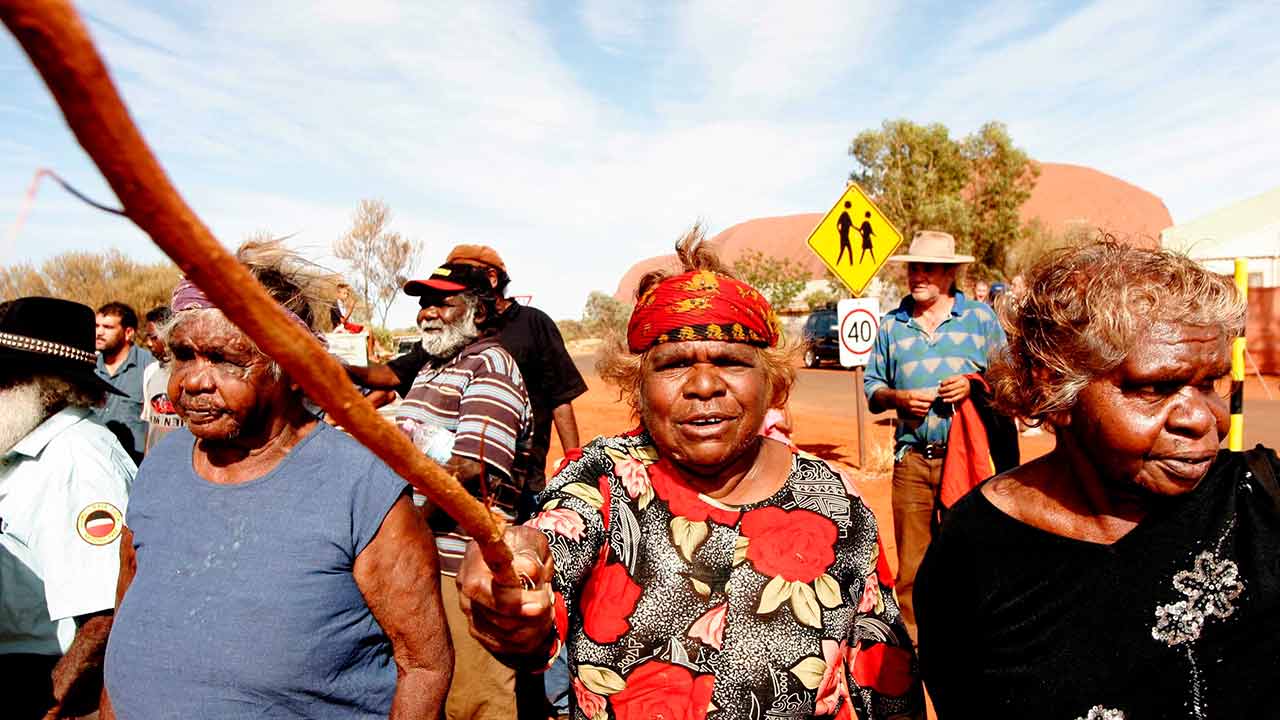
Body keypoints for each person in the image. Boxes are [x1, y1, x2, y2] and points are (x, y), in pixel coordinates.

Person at [458, 230, 922, 720]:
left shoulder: (834, 497)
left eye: (730, 362)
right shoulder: (600, 480)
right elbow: (545, 562)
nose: (704, 385)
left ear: (771, 381)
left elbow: (882, 666)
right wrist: (515, 590)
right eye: (675, 364)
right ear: (637, 386)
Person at [915, 243, 1280, 719]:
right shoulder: (974, 551)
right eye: (1153, 388)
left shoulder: (1262, 503)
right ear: (1054, 389)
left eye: (1210, 383)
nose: (1202, 419)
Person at [103, 241, 452, 718]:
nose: (194, 382)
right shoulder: (161, 467)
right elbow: (126, 614)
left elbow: (424, 667)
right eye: (184, 355)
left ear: (292, 368)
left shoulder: (360, 486)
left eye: (226, 360)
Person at [346, 256, 533, 720]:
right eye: (424, 303)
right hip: (424, 552)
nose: (427, 311)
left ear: (478, 312)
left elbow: (473, 468)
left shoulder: (489, 365)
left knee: (474, 698)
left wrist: (404, 524)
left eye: (441, 302)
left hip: (463, 561)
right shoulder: (432, 367)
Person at [863, 230, 1006, 642]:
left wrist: (973, 385)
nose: (917, 276)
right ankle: (914, 657)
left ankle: (970, 645)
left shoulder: (980, 319)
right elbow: (873, 389)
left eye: (927, 268)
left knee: (970, 556)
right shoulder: (892, 326)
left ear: (949, 274)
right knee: (912, 567)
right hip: (912, 461)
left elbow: (1011, 382)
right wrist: (897, 398)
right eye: (913, 267)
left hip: (971, 461)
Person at [0, 297, 135, 718]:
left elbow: (106, 616)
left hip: (45, 680)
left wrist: (57, 705)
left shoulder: (79, 460)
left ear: (42, 385)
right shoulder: (25, 447)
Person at [93, 301, 154, 462]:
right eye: (97, 326)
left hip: (136, 466)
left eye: (108, 327)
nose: (99, 332)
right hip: (95, 462)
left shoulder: (150, 367)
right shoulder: (87, 368)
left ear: (128, 333)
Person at [139, 306, 182, 453]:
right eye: (147, 338)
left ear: (169, 334)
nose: (149, 344)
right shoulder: (150, 372)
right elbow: (150, 426)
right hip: (156, 460)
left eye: (154, 337)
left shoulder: (189, 375)